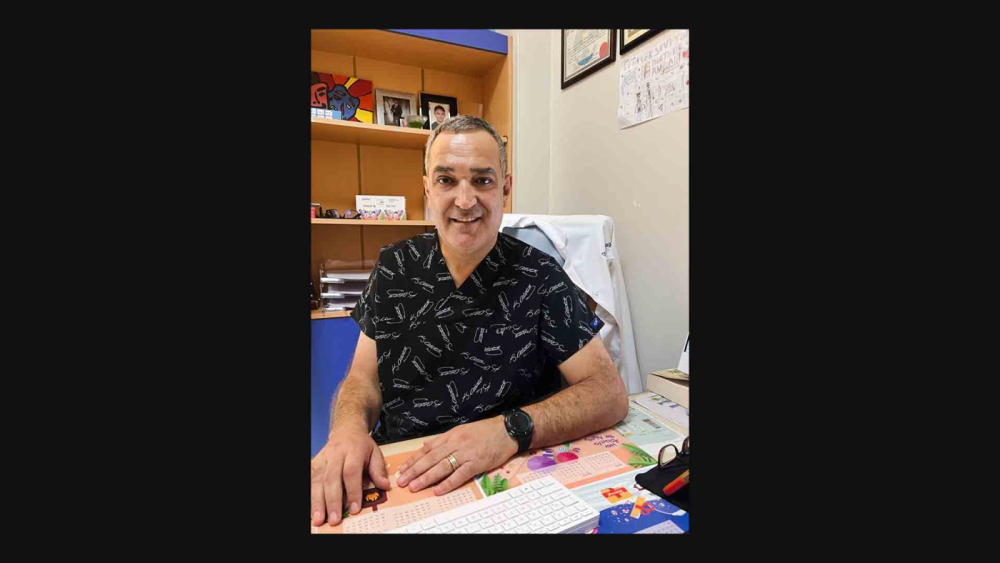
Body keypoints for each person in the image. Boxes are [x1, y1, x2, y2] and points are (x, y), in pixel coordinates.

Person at [310, 115, 629, 527]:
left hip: (508, 474)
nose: (465, 200)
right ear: (427, 189)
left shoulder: (540, 276)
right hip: (404, 474)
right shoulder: (394, 268)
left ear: (505, 190)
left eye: (482, 180)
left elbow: (608, 392)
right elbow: (362, 380)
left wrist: (510, 429)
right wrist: (347, 430)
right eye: (446, 180)